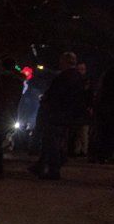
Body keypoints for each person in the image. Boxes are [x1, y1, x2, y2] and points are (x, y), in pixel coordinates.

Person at [30, 51, 84, 180]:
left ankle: (53, 170)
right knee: (57, 140)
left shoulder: (64, 77)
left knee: (51, 141)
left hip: (58, 113)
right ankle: (42, 165)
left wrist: (46, 100)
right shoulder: (78, 77)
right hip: (68, 113)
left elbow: (55, 94)